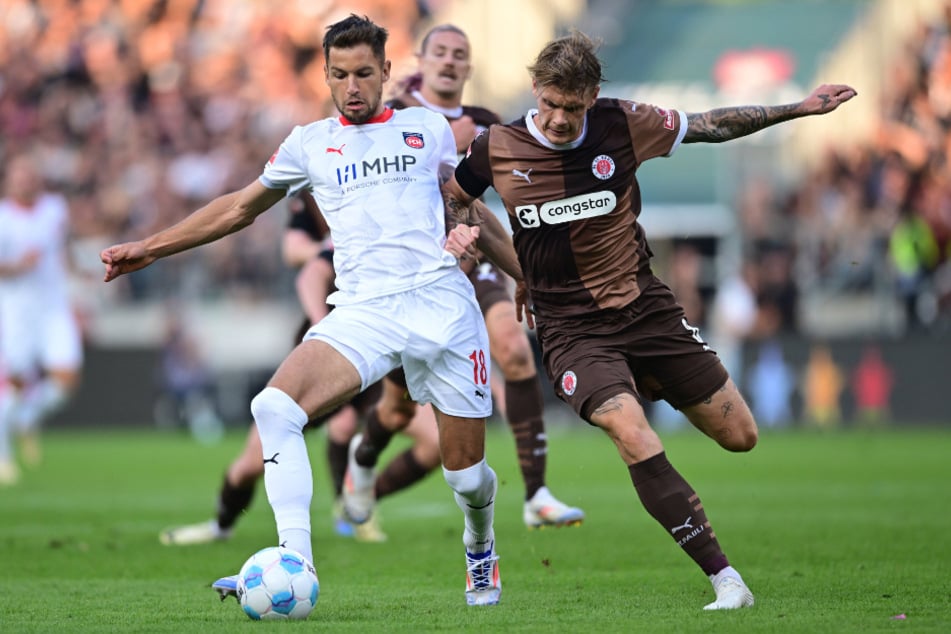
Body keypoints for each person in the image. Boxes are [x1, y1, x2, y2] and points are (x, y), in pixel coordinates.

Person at [101, 15, 522, 606]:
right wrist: (151, 246)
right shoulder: (309, 143)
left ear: (386, 73)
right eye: (340, 74)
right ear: (325, 74)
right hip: (363, 311)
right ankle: (295, 559)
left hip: (442, 309)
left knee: (466, 477)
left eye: (365, 73)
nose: (352, 86)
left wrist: (525, 278)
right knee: (274, 407)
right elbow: (239, 208)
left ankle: (481, 550)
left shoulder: (428, 129)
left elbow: (472, 212)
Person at [440, 31, 857, 610]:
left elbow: (711, 124)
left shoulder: (624, 123)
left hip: (646, 311)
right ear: (536, 88)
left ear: (592, 96)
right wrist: (465, 236)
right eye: (551, 104)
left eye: (573, 107)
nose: (560, 120)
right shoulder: (498, 146)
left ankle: (649, 379)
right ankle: (725, 579)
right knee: (632, 433)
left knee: (741, 437)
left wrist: (798, 108)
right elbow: (456, 196)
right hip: (570, 330)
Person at [343, 23, 584, 531]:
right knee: (396, 409)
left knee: (516, 352)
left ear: (469, 68)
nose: (450, 61)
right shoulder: (391, 114)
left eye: (460, 54)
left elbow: (507, 192)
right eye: (441, 53)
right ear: (421, 61)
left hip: (473, 258)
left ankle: (536, 494)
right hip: (410, 275)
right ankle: (362, 467)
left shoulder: (487, 124)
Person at [157, 193, 386, 545]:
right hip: (334, 345)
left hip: (385, 342)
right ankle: (220, 526)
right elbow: (304, 266)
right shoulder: (330, 206)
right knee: (252, 461)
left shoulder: (392, 217)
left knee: (389, 430)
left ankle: (355, 506)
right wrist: (323, 327)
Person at [0, 153, 84, 486]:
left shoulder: (54, 208)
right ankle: (4, 455)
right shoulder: (3, 217)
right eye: (19, 176)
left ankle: (27, 419)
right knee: (16, 385)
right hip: (17, 311)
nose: (26, 181)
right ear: (9, 180)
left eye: (30, 175)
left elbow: (63, 248)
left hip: (54, 307)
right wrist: (18, 266)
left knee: (66, 380)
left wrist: (81, 276)